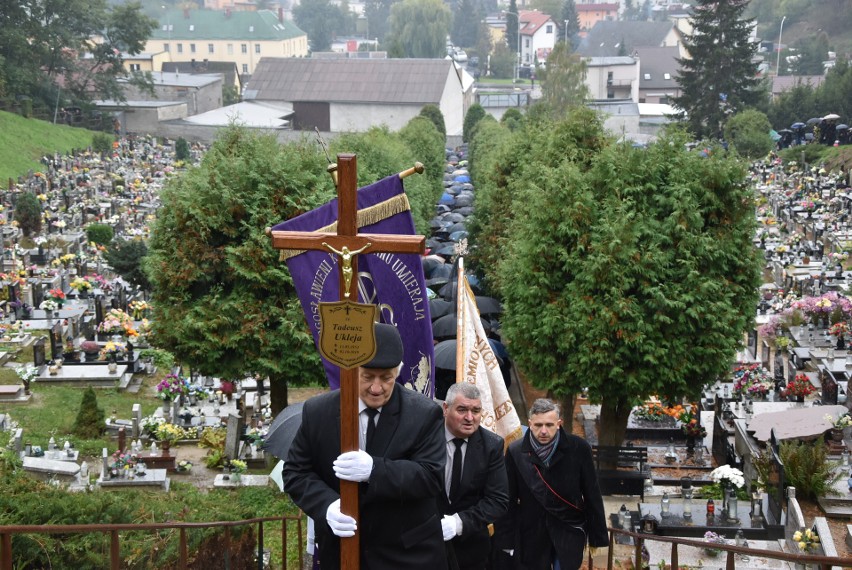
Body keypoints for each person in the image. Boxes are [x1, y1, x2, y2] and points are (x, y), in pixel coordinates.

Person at [283, 323, 447, 570]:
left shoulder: (424, 414)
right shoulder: (319, 412)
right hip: (343, 553)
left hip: (406, 555)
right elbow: (296, 472)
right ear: (350, 372)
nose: (376, 388)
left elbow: (430, 476)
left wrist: (376, 470)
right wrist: (327, 505)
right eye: (367, 377)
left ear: (398, 372)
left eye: (387, 378)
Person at [499, 398, 607, 570]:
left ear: (559, 423)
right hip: (531, 536)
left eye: (549, 425)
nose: (543, 431)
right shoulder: (515, 451)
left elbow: (592, 493)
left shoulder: (579, 448)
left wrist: (598, 537)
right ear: (530, 423)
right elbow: (508, 501)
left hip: (569, 531)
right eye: (538, 425)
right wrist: (506, 540)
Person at [437, 383, 509, 570]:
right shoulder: (426, 437)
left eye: (476, 411)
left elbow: (498, 500)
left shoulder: (492, 446)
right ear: (446, 408)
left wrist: (459, 522)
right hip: (425, 545)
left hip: (471, 551)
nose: (470, 418)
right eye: (462, 410)